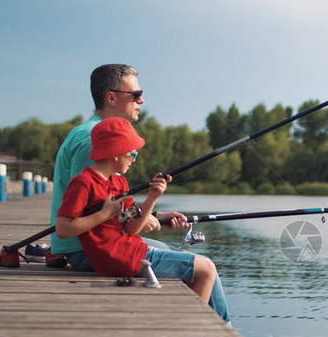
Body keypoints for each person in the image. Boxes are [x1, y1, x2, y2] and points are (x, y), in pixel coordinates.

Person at [49, 64, 230, 321]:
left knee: (191, 262)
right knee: (198, 264)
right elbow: (96, 211)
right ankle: (221, 335)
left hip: (103, 241)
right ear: (111, 97)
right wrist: (140, 218)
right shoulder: (94, 140)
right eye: (135, 94)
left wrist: (154, 213)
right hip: (88, 248)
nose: (141, 100)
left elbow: (110, 206)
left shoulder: (99, 134)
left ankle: (218, 334)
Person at [56, 118, 217, 303]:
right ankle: (198, 330)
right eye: (132, 153)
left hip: (132, 251)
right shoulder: (84, 183)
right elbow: (63, 228)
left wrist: (153, 196)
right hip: (120, 258)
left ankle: (193, 322)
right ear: (116, 152)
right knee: (207, 268)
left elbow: (132, 229)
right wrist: (103, 214)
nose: (134, 160)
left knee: (195, 273)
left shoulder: (119, 183)